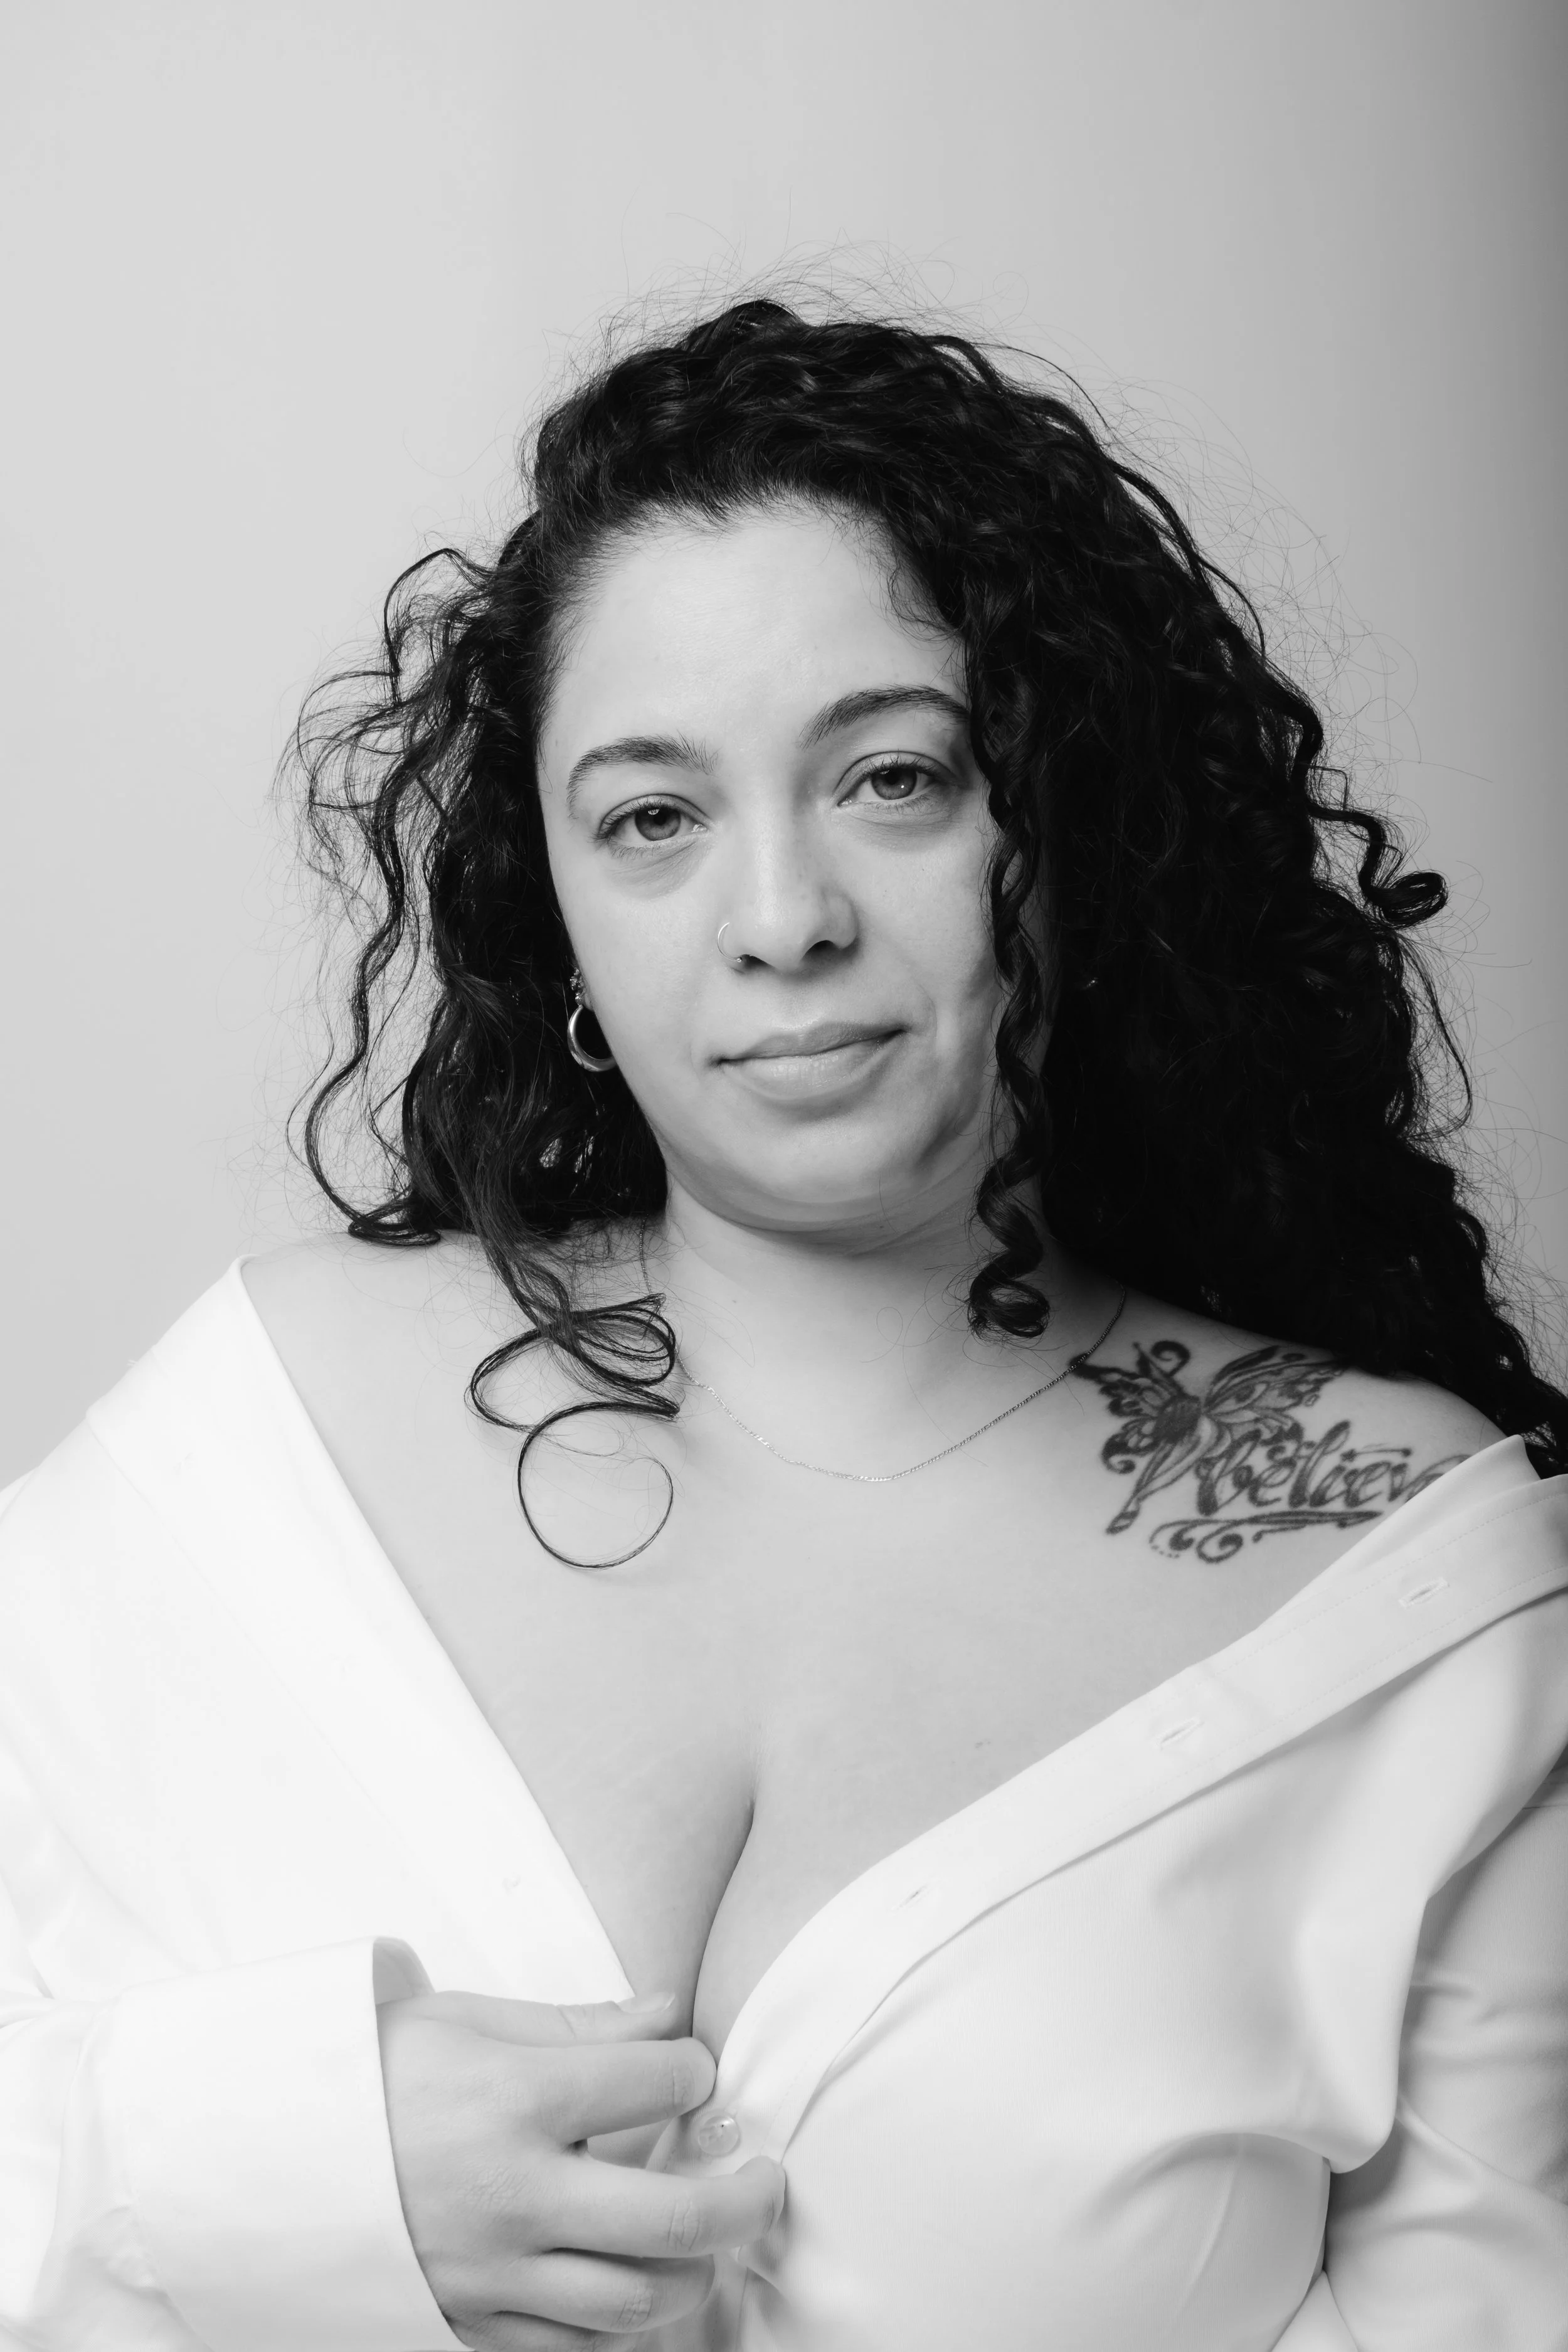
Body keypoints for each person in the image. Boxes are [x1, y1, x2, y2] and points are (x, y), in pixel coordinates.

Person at [3, 295, 1566, 2352]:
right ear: (552, 910)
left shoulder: (1405, 1575)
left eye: (895, 777)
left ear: (1068, 828)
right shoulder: (252, 1440)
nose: (779, 915)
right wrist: (258, 2175)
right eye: (651, 816)